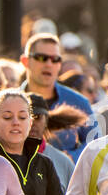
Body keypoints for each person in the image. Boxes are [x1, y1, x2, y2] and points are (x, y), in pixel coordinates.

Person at [20, 33, 98, 161]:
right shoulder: (10, 102)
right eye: (41, 58)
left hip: (65, 178)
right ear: (25, 61)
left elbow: (96, 144)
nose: (49, 64)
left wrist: (69, 158)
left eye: (55, 59)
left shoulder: (78, 102)